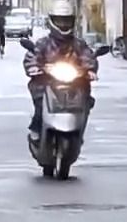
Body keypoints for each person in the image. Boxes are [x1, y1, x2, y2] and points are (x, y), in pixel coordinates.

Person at [25, 13, 94, 145]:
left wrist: (89, 70)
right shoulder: (43, 43)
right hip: (48, 82)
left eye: (66, 21)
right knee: (40, 100)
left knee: (87, 100)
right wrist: (34, 68)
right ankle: (37, 127)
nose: (63, 25)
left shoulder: (78, 44)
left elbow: (87, 57)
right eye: (59, 21)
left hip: (75, 83)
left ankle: (79, 129)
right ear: (52, 22)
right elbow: (33, 56)